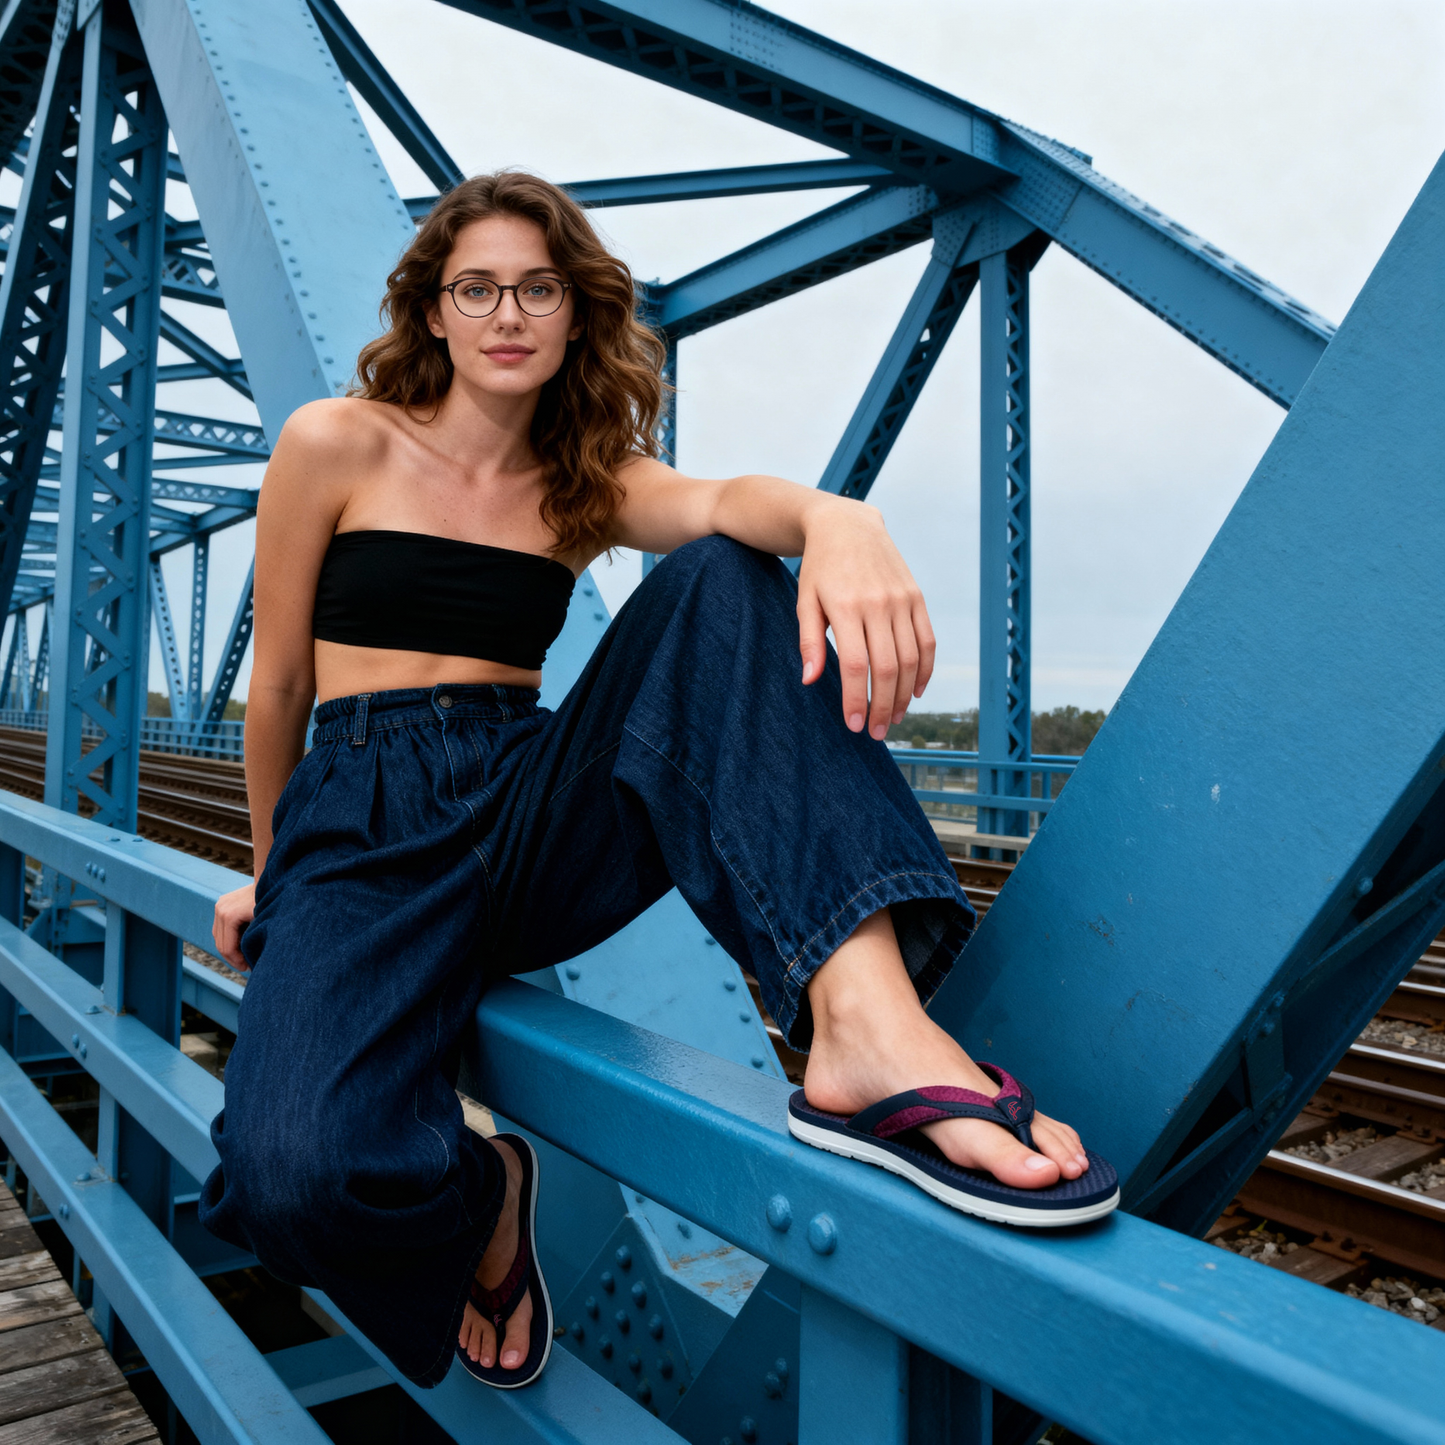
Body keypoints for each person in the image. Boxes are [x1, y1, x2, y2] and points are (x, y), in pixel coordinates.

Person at [198, 171, 1116, 1393]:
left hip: (522, 810)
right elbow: (277, 690)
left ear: (574, 313)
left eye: (539, 287)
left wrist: (837, 518)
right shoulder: (337, 441)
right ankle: (488, 1191)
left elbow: (727, 503)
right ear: (433, 311)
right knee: (290, 1178)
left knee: (725, 574)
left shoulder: (581, 481)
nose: (507, 312)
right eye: (477, 287)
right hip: (357, 820)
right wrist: (270, 867)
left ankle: (863, 1029)